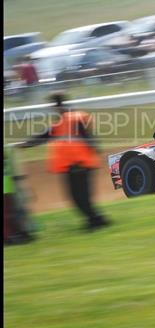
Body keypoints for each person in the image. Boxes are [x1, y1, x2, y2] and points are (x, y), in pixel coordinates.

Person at [17, 92, 111, 231]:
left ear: (57, 105)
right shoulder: (61, 123)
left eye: (54, 106)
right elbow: (44, 136)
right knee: (78, 197)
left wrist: (92, 151)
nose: (54, 109)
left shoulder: (73, 119)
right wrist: (24, 144)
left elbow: (87, 136)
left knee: (79, 197)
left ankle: (95, 221)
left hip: (79, 164)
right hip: (74, 165)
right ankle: (97, 219)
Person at [4, 146, 35, 245]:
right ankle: (9, 236)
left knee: (13, 211)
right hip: (7, 186)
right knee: (8, 213)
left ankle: (19, 232)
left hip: (8, 186)